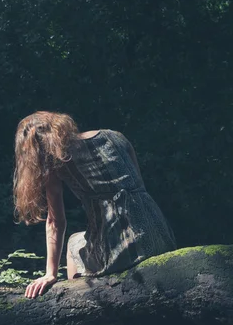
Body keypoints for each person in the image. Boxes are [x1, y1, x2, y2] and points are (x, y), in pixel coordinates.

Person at [13, 111, 176, 299]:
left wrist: (50, 274)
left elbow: (55, 222)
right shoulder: (115, 136)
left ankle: (79, 302)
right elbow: (139, 190)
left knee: (74, 243)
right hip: (158, 232)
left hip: (120, 245)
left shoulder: (56, 160)